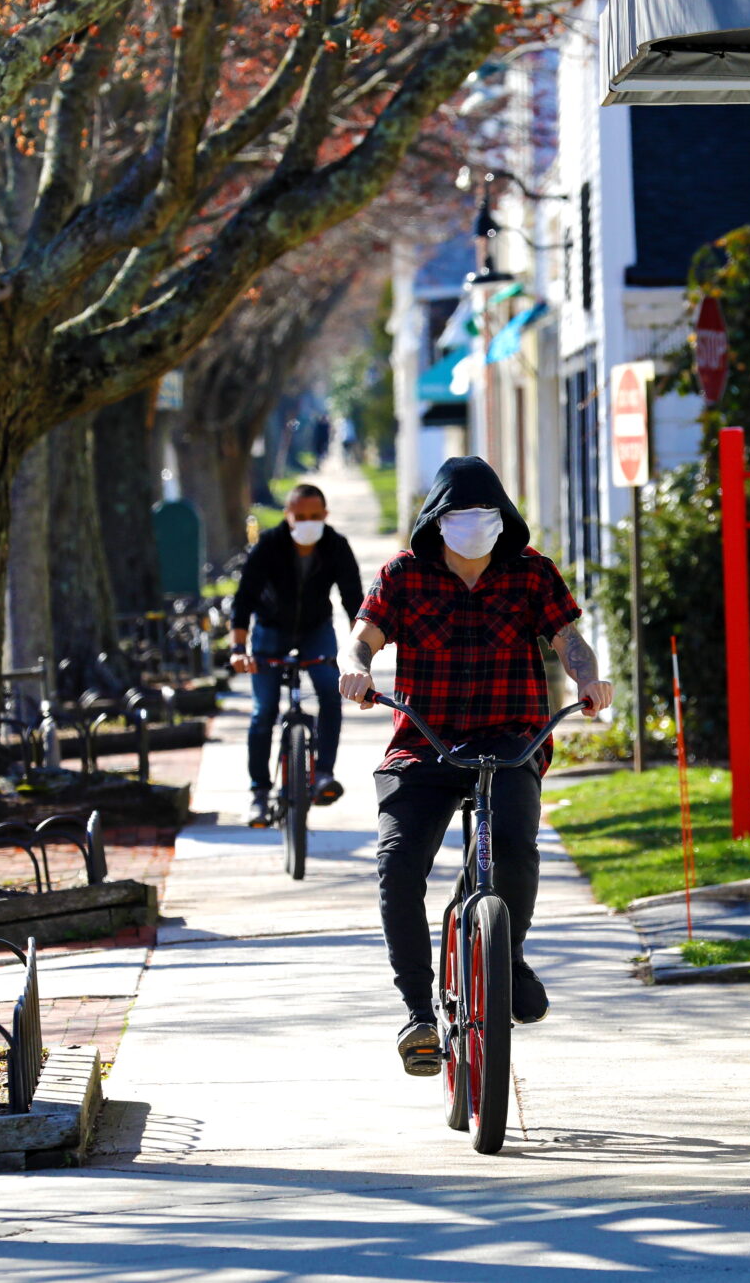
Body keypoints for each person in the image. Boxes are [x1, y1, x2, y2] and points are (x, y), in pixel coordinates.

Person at [339, 457, 613, 1075]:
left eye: (484, 516)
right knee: (397, 863)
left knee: (515, 849)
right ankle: (418, 1012)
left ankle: (504, 956)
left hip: (510, 740)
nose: (472, 527)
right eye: (458, 516)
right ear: (435, 522)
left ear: (503, 521)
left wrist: (592, 680)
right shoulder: (404, 576)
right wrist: (353, 666)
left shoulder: (532, 574)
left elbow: (569, 639)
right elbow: (364, 634)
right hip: (424, 743)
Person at [230, 483, 362, 828]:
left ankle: (322, 775)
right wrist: (237, 649)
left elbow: (354, 600)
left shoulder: (336, 546)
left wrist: (358, 649)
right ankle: (259, 793)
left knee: (331, 694)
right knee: (264, 711)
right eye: (300, 517)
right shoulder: (269, 545)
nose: (307, 522)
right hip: (270, 630)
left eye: (314, 516)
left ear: (325, 516)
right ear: (288, 516)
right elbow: (244, 598)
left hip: (316, 630)